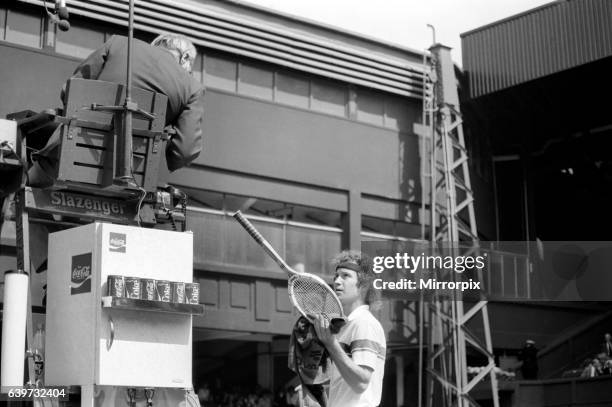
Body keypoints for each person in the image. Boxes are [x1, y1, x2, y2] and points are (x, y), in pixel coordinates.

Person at [29, 33, 204, 186]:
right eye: (191, 68)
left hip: (68, 158)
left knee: (26, 186)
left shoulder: (118, 44)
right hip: (130, 177)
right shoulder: (193, 88)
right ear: (185, 57)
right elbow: (184, 152)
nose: (189, 73)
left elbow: (69, 91)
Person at [312, 250, 386, 407]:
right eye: (336, 276)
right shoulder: (347, 325)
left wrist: (331, 344)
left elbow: (361, 383)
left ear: (364, 285)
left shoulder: (364, 323)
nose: (337, 281)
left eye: (345, 276)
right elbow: (345, 386)